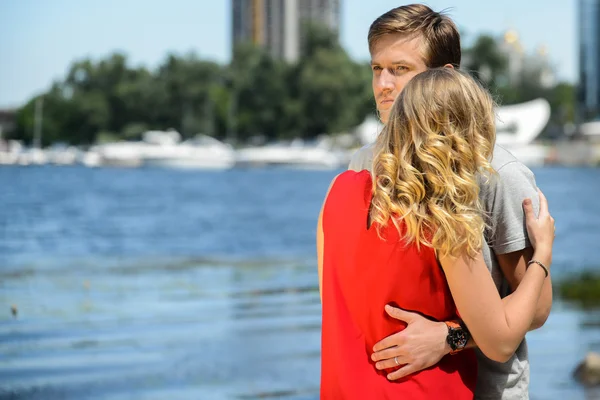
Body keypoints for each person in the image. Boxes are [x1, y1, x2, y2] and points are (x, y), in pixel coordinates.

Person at [346, 5, 552, 399]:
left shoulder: (498, 173)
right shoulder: (362, 166)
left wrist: (448, 337)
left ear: (446, 77)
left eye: (400, 69)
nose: (384, 84)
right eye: (377, 68)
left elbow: (537, 308)